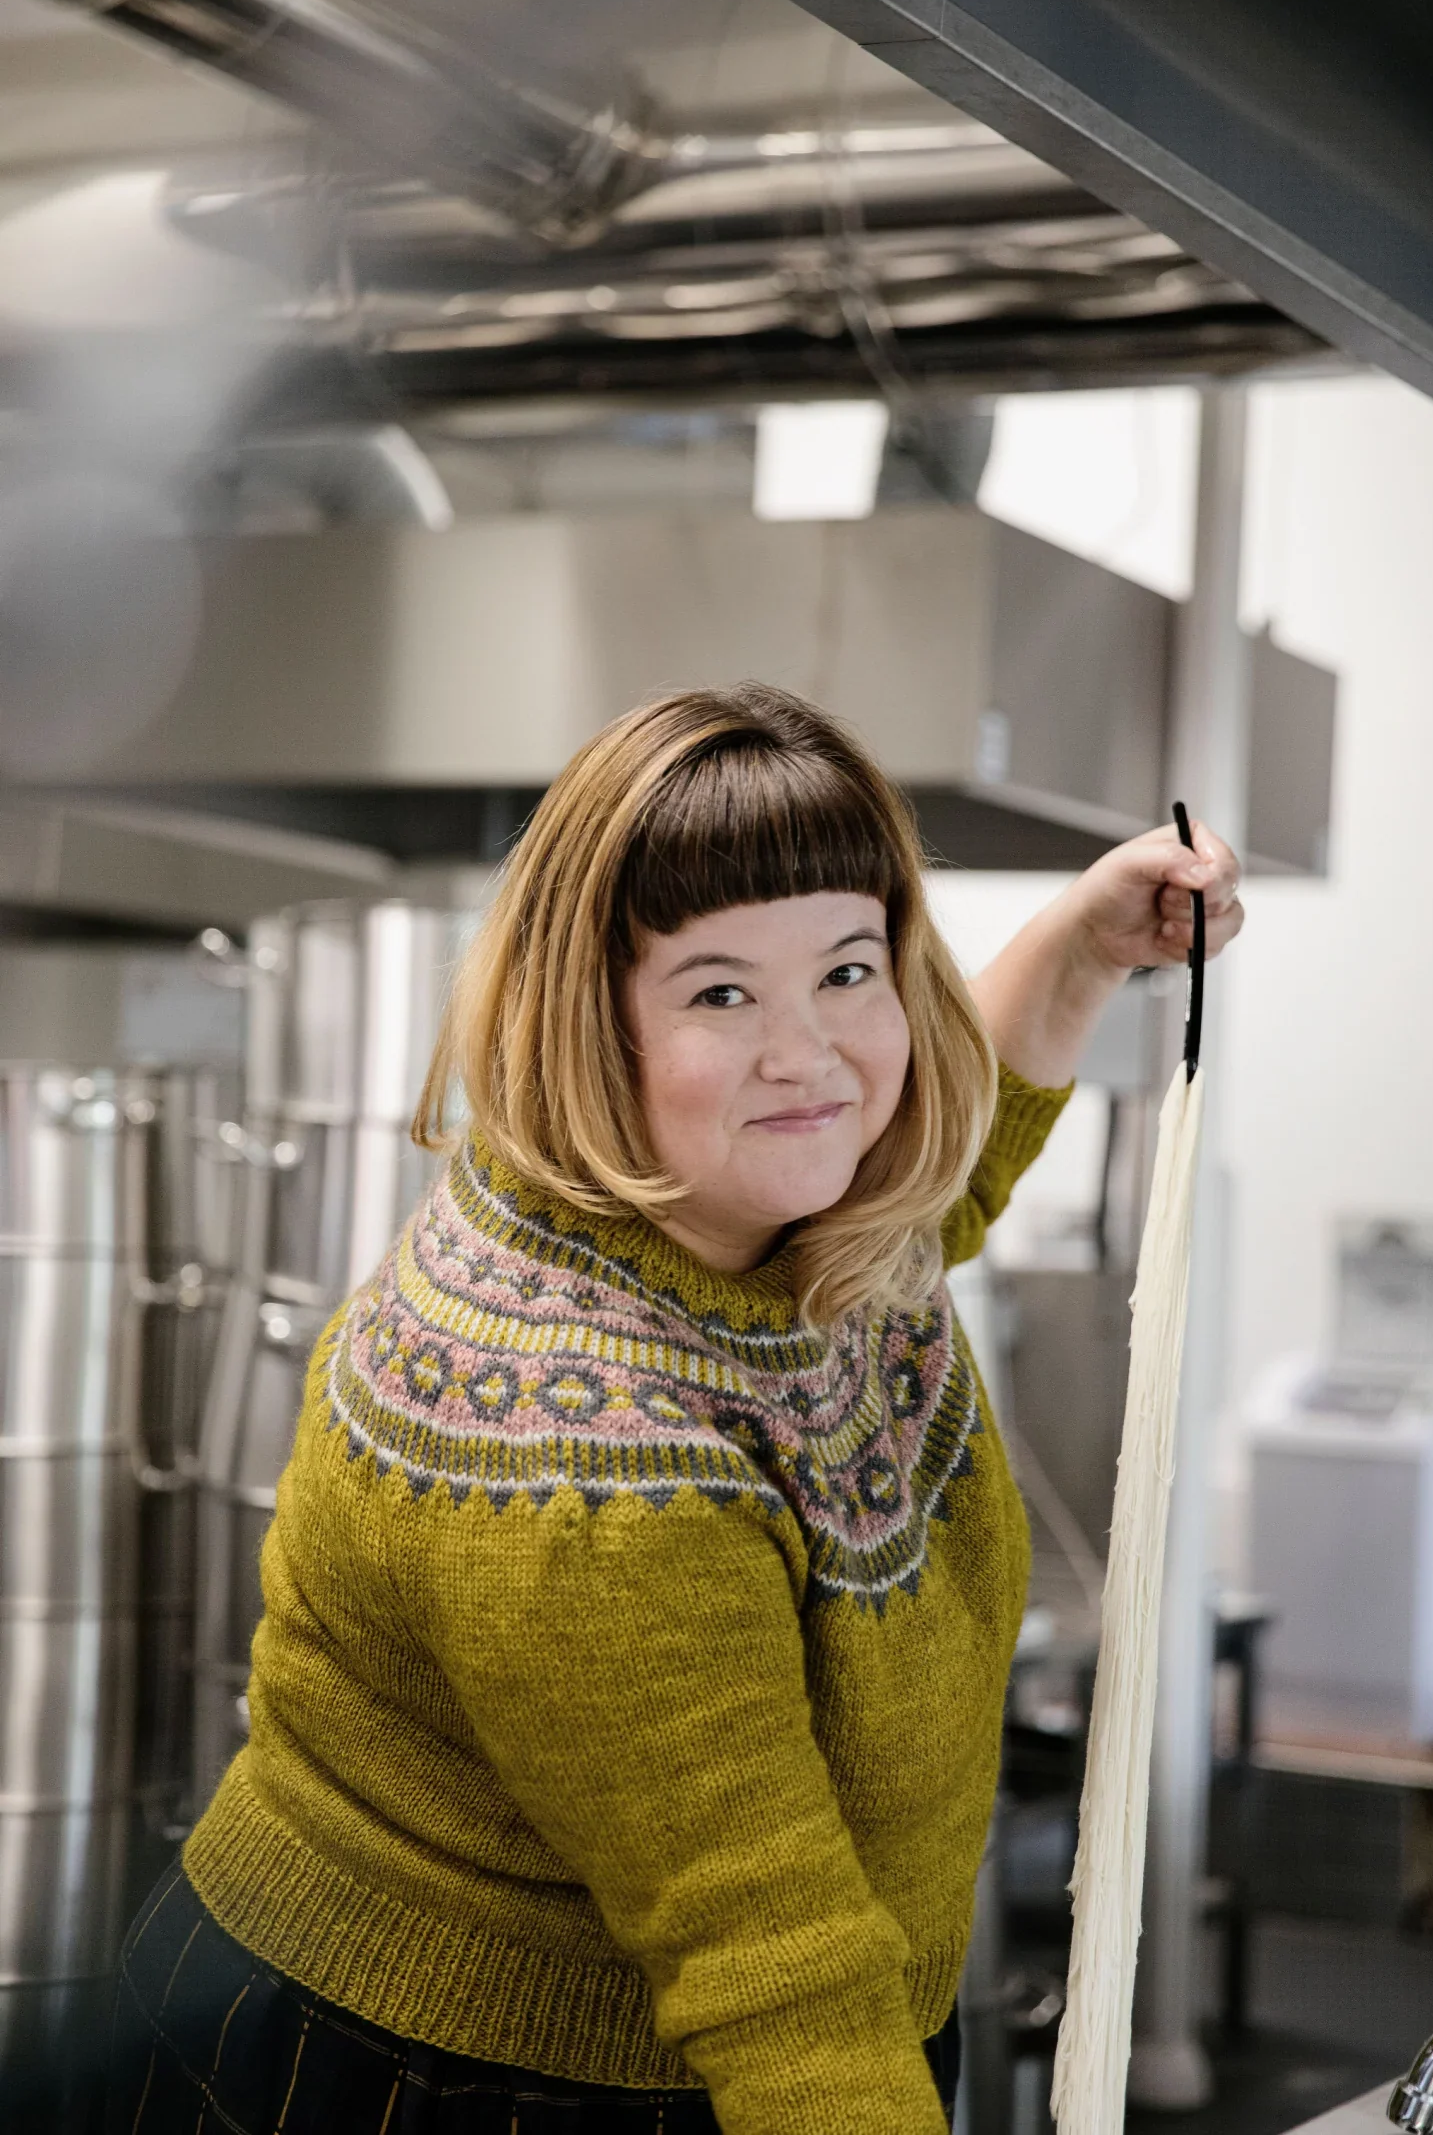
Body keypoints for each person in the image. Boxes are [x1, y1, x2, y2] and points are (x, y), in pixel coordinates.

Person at [108, 684, 1242, 2135]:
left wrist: (1084, 947)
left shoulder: (767, 1216)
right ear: (592, 1021)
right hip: (436, 2078)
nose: (807, 1054)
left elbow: (933, 1194)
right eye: (720, 993)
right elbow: (780, 1976)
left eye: (848, 970)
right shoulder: (577, 1464)